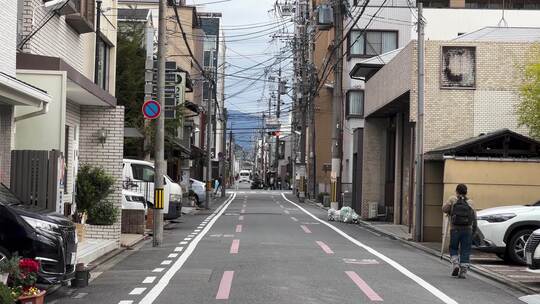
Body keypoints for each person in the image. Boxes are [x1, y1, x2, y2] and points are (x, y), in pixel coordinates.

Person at [442, 184, 477, 278]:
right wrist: (474, 231)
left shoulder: (452, 200)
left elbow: (444, 209)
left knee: (453, 247)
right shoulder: (471, 202)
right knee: (465, 249)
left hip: (455, 229)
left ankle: (456, 263)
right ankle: (463, 271)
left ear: (456, 191)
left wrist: (450, 209)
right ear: (466, 192)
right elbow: (474, 218)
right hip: (467, 229)